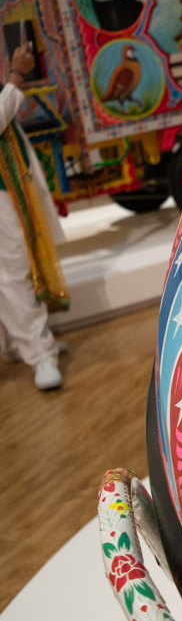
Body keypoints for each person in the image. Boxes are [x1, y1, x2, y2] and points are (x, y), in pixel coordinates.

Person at [0, 41, 69, 388]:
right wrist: (15, 78)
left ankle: (21, 344)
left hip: (10, 189)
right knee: (12, 275)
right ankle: (40, 355)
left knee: (15, 272)